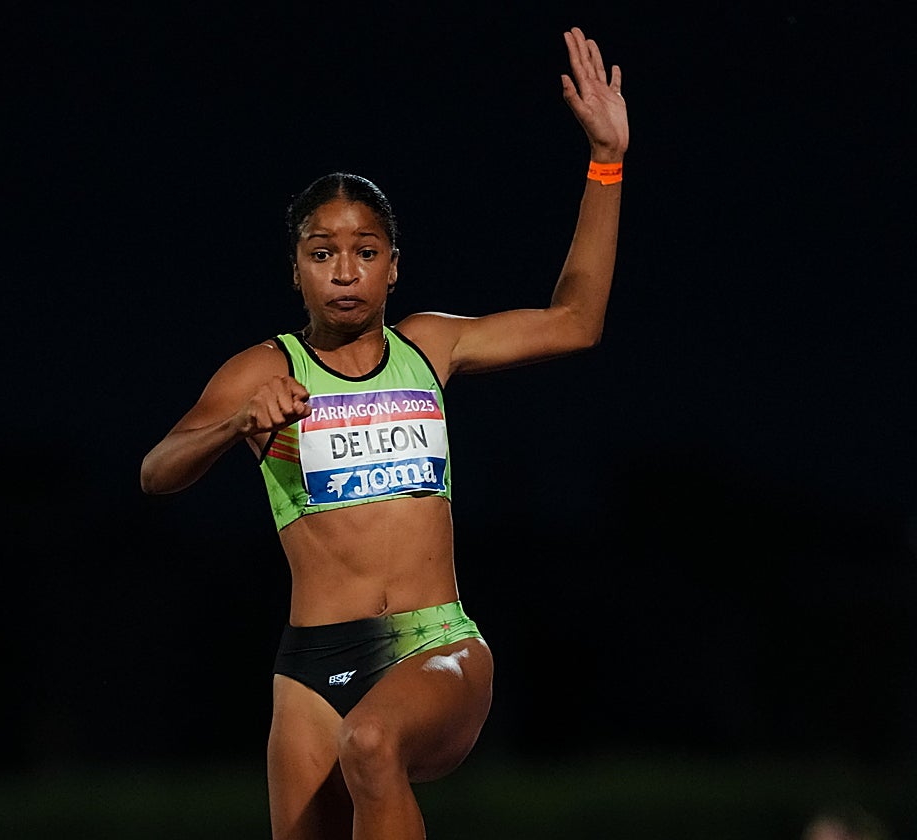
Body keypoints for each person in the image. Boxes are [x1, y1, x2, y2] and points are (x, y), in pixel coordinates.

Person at [140, 25, 628, 840]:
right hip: (308, 668)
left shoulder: (433, 347)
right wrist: (235, 422)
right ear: (295, 266)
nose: (343, 270)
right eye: (321, 252)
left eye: (364, 252)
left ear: (392, 266)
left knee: (370, 743)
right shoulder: (261, 370)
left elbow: (576, 322)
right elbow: (157, 471)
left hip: (431, 644)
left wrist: (606, 162)